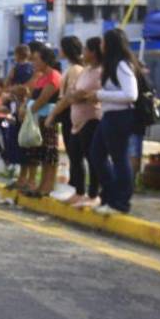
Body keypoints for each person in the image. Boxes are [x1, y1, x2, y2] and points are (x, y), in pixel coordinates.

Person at [76, 28, 140, 215]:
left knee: (119, 159)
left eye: (103, 42)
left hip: (120, 117)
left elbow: (131, 95)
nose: (101, 45)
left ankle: (121, 202)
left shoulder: (122, 64)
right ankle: (110, 196)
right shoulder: (111, 65)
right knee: (96, 154)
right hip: (109, 116)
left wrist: (100, 94)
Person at [57, 36, 103, 207]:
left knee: (92, 158)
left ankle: (93, 194)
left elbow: (91, 94)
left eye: (86, 50)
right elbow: (72, 93)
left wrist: (78, 96)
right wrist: (76, 95)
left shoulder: (100, 71)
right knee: (75, 155)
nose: (83, 53)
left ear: (93, 52)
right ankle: (79, 192)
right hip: (77, 121)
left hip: (91, 119)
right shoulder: (86, 70)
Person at [16, 45, 62, 197]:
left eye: (36, 60)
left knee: (49, 154)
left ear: (45, 61)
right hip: (36, 118)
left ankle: (47, 186)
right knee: (41, 154)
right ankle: (41, 185)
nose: (34, 63)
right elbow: (31, 96)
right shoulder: (41, 76)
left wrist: (28, 111)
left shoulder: (54, 76)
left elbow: (43, 99)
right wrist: (24, 107)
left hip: (46, 119)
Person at [52, 36, 85, 199]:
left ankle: (77, 187)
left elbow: (68, 97)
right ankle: (75, 186)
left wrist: (53, 113)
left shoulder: (75, 70)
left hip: (69, 114)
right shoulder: (72, 68)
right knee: (73, 153)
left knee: (75, 153)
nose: (59, 51)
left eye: (61, 47)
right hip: (68, 113)